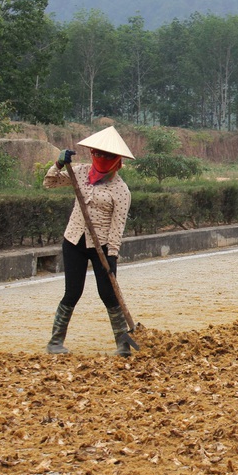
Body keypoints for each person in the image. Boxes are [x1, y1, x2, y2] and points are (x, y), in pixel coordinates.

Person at [43, 126, 137, 355]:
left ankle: (123, 344)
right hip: (74, 240)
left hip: (101, 247)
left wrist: (112, 256)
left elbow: (117, 227)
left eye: (107, 156)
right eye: (98, 154)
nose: (101, 159)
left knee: (108, 294)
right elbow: (49, 183)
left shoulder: (121, 191)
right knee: (72, 292)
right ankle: (55, 342)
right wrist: (58, 164)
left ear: (117, 161)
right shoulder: (81, 172)